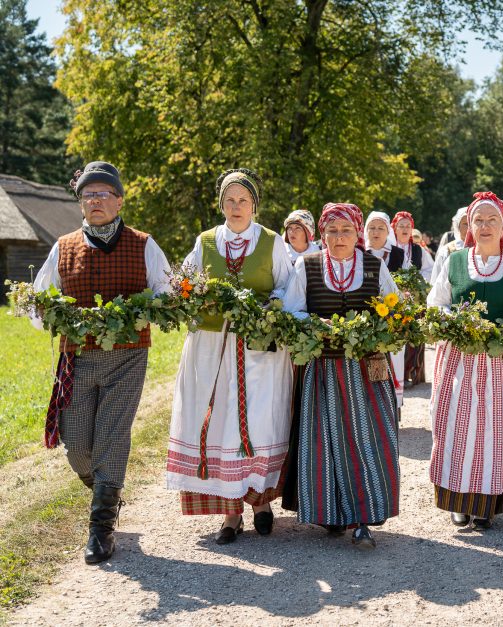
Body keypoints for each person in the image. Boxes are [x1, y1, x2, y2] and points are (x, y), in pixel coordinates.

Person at [32, 161, 171, 564]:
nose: (94, 201)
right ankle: (104, 489)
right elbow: (40, 302)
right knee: (76, 446)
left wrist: (144, 310)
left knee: (113, 436)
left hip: (128, 356)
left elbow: (165, 293)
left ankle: (100, 528)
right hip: (78, 357)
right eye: (87, 195)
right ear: (80, 203)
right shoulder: (64, 246)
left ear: (119, 200)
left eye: (102, 194)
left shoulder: (144, 244)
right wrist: (55, 317)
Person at [166, 169, 294, 545]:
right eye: (229, 200)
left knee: (259, 422)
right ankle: (231, 512)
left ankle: (262, 504)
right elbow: (185, 285)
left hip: (261, 350)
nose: (236, 207)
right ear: (221, 204)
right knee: (221, 421)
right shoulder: (205, 242)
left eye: (243, 200)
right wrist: (190, 295)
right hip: (212, 349)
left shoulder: (272, 242)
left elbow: (288, 288)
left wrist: (268, 308)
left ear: (254, 204)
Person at [280, 203, 400, 548]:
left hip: (367, 370)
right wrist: (317, 324)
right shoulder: (308, 265)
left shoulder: (374, 266)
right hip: (323, 368)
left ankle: (363, 517)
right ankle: (330, 513)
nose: (339, 237)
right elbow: (292, 311)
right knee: (324, 439)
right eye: (331, 231)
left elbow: (395, 308)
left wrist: (377, 328)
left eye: (346, 230)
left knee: (368, 440)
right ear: (321, 234)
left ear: (357, 233)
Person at [428, 191, 503, 529]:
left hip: (501, 365)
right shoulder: (455, 261)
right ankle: (457, 501)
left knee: (494, 430)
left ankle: (485, 504)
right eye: (478, 220)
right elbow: (437, 304)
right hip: (459, 362)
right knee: (455, 428)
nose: (484, 226)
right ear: (469, 225)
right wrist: (455, 324)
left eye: (492, 219)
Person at [364, 210, 406, 409]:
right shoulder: (359, 253)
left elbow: (408, 278)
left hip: (392, 314)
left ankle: (393, 403)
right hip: (367, 314)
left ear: (388, 230)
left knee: (394, 355)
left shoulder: (398, 253)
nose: (376, 232)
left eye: (381, 228)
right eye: (371, 227)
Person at [391, 211, 433, 387]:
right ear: (394, 228)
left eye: (408, 226)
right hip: (392, 301)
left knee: (414, 335)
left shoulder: (418, 250)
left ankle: (410, 372)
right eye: (401, 225)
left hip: (414, 301)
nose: (405, 229)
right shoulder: (389, 249)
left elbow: (429, 270)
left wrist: (417, 282)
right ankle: (395, 373)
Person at [430, 206, 469, 284]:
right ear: (458, 226)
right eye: (465, 224)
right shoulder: (447, 250)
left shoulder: (486, 249)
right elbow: (436, 282)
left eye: (473, 223)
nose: (469, 228)